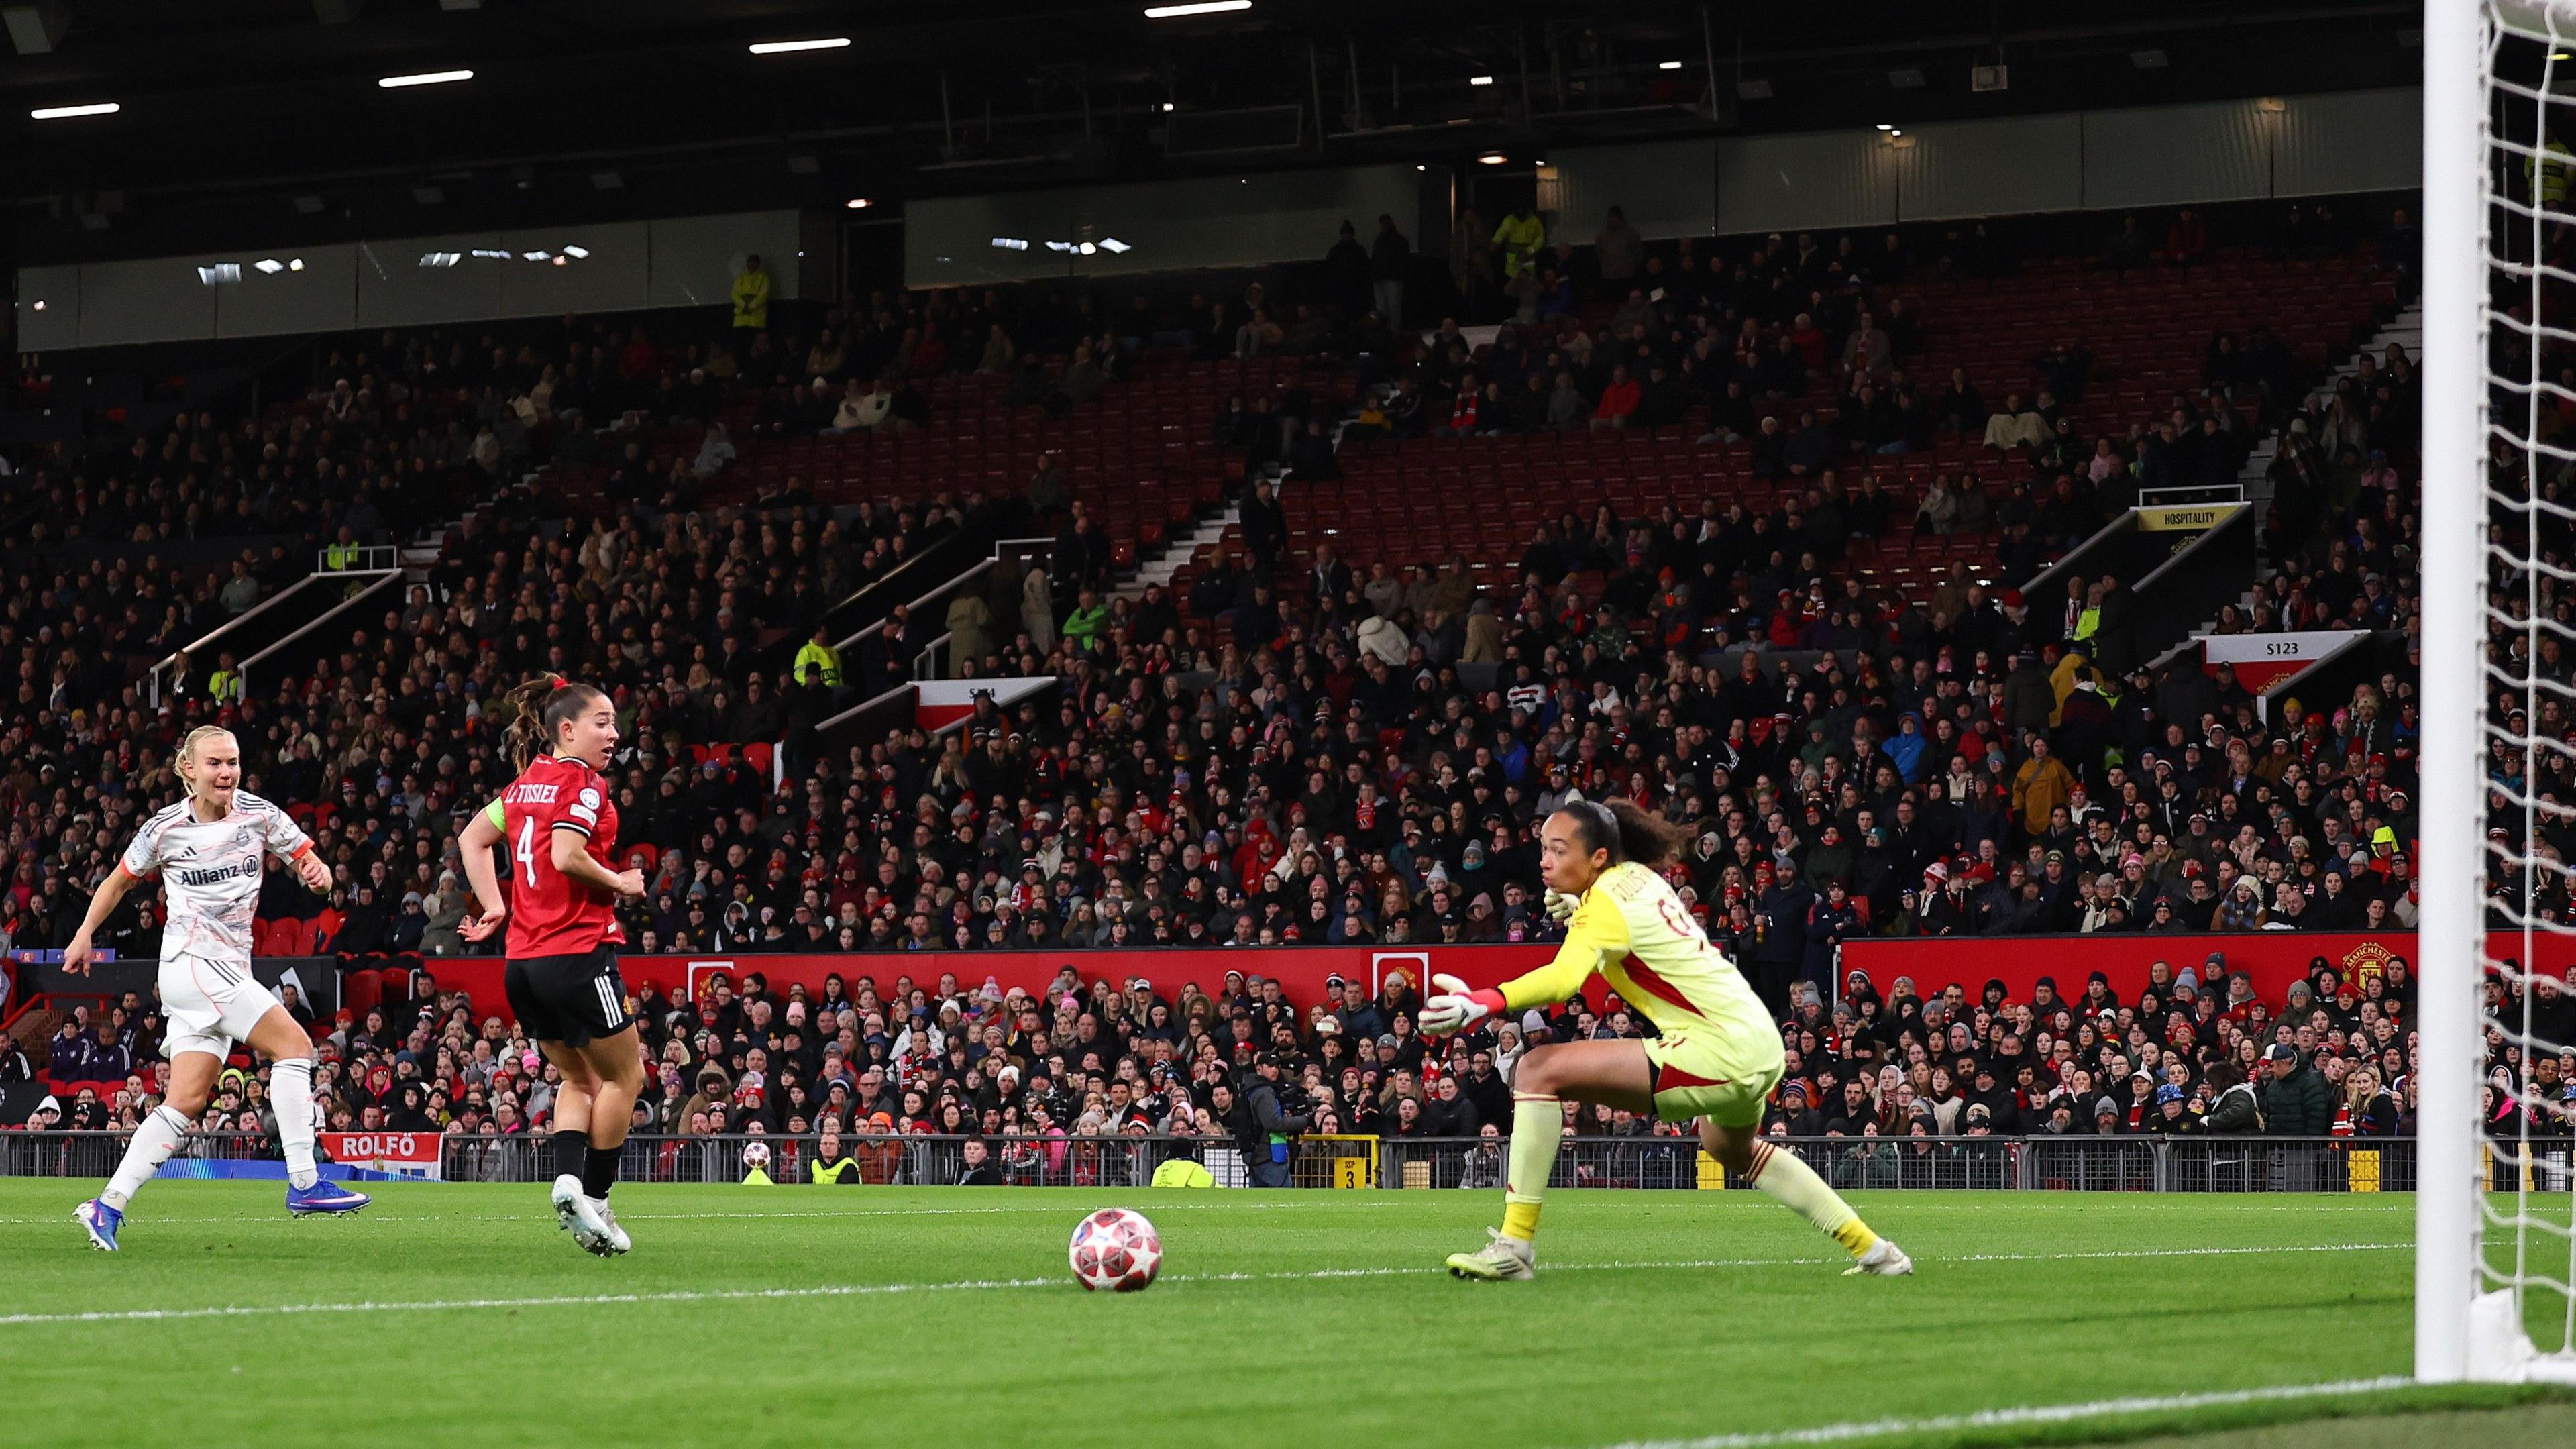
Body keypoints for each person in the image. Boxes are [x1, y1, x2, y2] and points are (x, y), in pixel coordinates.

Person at [1420, 798, 1909, 1280]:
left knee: (1535, 1069)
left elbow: (1564, 978)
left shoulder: (1604, 904)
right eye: (1544, 849)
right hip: (1758, 1040)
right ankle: (1877, 1252)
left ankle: (1515, 1246)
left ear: (1598, 857)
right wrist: (1576, 901)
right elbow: (1619, 921)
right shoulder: (1638, 878)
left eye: (1559, 850)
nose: (1545, 861)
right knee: (1730, 1148)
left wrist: (1485, 1000)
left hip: (1716, 1049)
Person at [68, 725, 366, 1250]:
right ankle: (304, 1182)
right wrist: (84, 933)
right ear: (189, 770)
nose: (226, 772)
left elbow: (304, 855)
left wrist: (316, 871)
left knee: (184, 1101)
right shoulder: (165, 829)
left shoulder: (259, 814)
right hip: (193, 963)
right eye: (215, 763)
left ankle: (106, 1205)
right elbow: (117, 882)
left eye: (232, 762)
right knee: (296, 1047)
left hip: (223, 970)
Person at [455, 676, 649, 1256]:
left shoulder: (523, 785)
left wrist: (495, 905)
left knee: (577, 1080)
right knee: (626, 1077)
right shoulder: (584, 784)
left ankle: (567, 1180)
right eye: (602, 722)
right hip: (579, 954)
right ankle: (598, 1199)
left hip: (522, 963)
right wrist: (620, 882)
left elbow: (471, 840)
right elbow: (566, 855)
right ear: (567, 729)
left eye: (614, 723)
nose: (614, 734)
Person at [731, 254, 771, 332]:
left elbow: (764, 294)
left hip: (757, 318)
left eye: (755, 263)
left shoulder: (763, 278)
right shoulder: (740, 278)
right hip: (740, 319)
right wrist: (743, 305)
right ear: (747, 264)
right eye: (750, 263)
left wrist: (751, 306)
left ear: (758, 265)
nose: (752, 265)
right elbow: (734, 294)